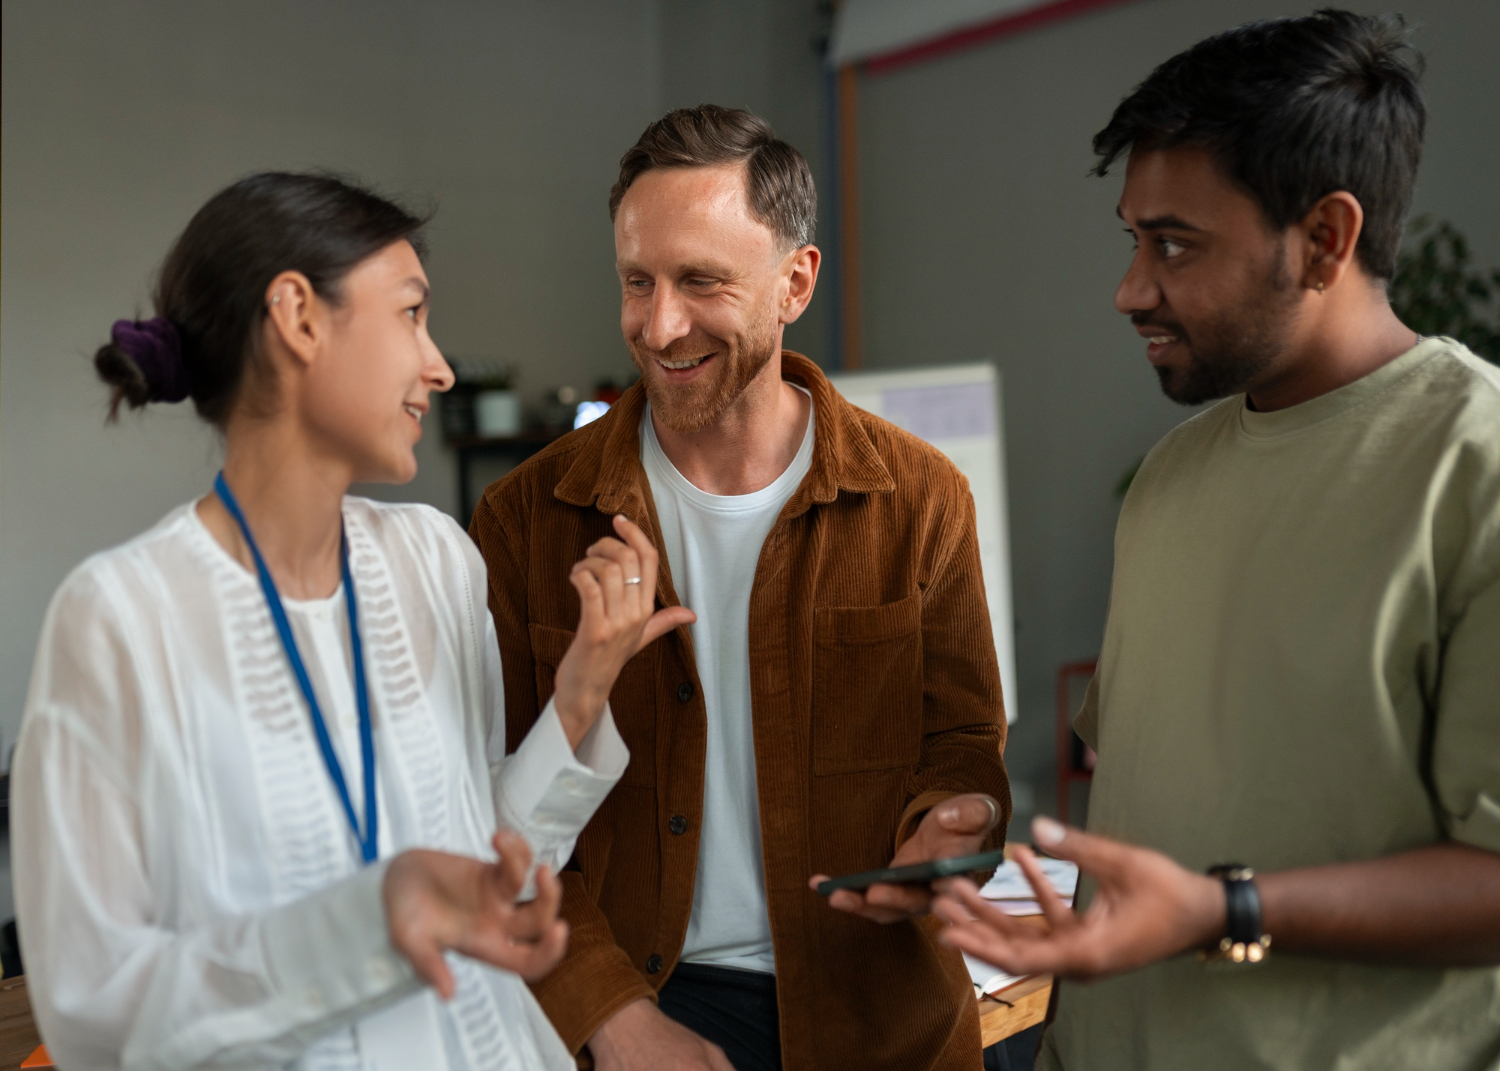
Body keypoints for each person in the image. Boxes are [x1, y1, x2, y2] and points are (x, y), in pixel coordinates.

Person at [12, 172, 691, 1070]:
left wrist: (579, 699)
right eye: (411, 313)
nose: (439, 366)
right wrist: (365, 921)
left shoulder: (435, 561)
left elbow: (484, 864)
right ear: (298, 317)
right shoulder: (119, 619)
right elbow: (92, 1012)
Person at [932, 11, 1500, 1071]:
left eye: (1175, 245)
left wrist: (1223, 909)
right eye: (1133, 239)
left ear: (1324, 239)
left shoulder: (1477, 466)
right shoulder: (1169, 478)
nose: (1130, 289)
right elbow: (1147, 812)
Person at [469, 106, 1011, 1071]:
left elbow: (964, 741)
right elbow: (494, 820)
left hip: (881, 1021)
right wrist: (614, 1019)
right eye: (637, 282)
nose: (659, 326)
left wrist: (954, 821)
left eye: (701, 281)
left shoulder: (922, 497)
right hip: (636, 1009)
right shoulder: (524, 520)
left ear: (795, 282)